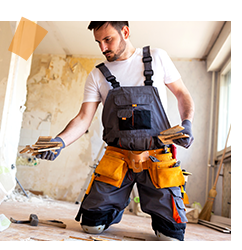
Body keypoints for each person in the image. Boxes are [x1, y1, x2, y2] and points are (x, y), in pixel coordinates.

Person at [37, 21, 195, 241]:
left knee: (171, 236)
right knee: (91, 227)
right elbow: (83, 118)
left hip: (156, 159)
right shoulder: (97, 75)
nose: (103, 47)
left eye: (108, 39)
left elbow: (182, 94)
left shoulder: (156, 57)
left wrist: (187, 122)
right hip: (117, 159)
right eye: (98, 42)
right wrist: (59, 142)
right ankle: (115, 203)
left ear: (126, 32)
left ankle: (160, 216)